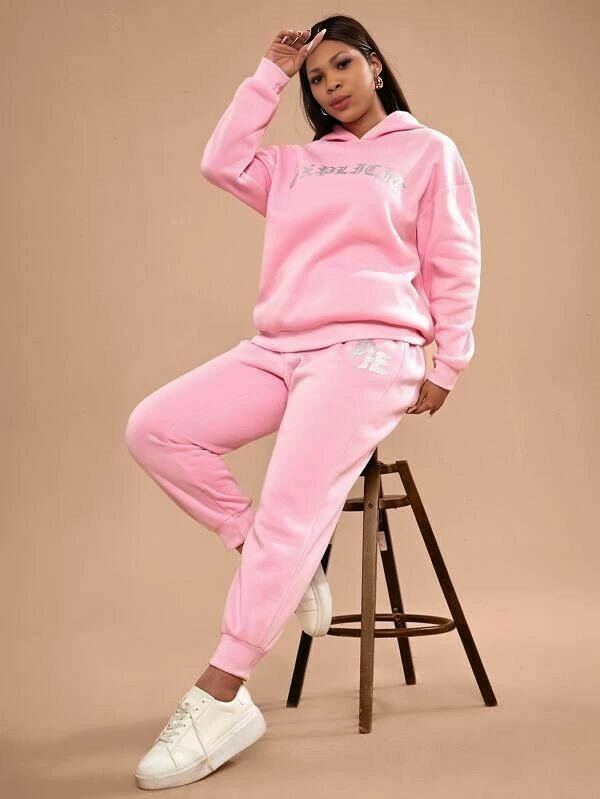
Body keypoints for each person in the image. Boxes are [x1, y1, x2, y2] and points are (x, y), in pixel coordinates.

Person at [127, 14, 481, 790]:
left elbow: (454, 259)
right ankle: (277, 561)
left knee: (294, 504)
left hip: (369, 350)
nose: (330, 85)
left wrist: (449, 361)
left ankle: (222, 694)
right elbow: (220, 161)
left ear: (375, 65)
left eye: (342, 65)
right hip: (281, 345)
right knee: (155, 427)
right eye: (316, 78)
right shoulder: (296, 164)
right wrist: (270, 74)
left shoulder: (428, 152)